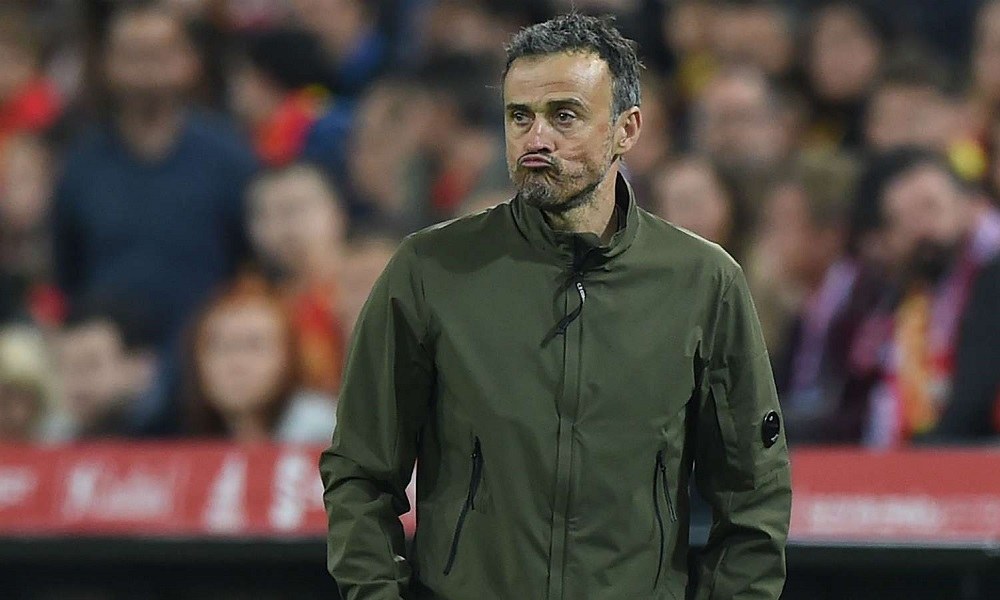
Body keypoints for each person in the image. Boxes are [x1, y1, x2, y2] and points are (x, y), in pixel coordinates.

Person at [320, 14, 790, 600]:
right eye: (520, 116)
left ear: (627, 129)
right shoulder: (430, 270)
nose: (536, 138)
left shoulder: (705, 282)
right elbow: (360, 472)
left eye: (564, 116)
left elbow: (753, 494)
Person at [51, 2, 258, 349]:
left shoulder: (230, 158)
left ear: (190, 61)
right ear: (106, 63)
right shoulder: (80, 164)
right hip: (112, 361)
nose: (147, 69)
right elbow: (67, 273)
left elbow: (250, 264)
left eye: (160, 53)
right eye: (133, 55)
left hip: (208, 355)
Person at [849, 148, 1000, 446]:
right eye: (902, 219)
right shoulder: (907, 298)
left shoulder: (990, 279)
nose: (920, 229)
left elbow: (974, 401)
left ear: (969, 205)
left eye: (930, 208)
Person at [185, 273, 336, 443]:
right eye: (221, 346)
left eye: (254, 345)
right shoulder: (184, 434)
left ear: (290, 355)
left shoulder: (324, 434)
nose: (236, 363)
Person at [246, 163, 349, 396]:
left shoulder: (377, 285)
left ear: (337, 213)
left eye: (295, 209)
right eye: (265, 215)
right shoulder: (258, 305)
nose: (283, 227)